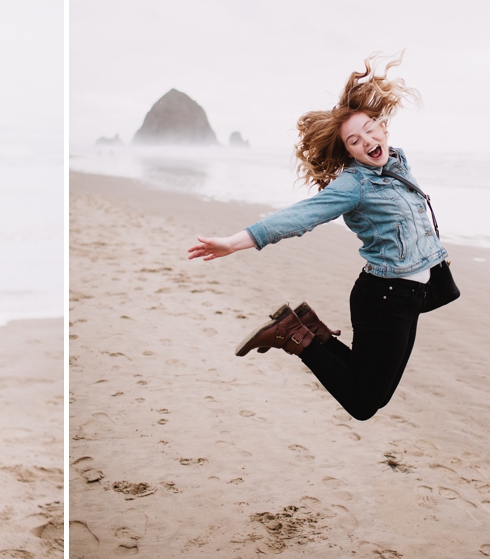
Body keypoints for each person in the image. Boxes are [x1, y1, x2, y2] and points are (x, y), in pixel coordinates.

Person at [187, 55, 448, 422]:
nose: (367, 141)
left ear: (384, 128)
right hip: (384, 297)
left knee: (374, 394)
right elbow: (300, 216)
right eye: (354, 141)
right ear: (349, 151)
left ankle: (313, 330)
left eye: (371, 130)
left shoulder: (397, 164)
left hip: (408, 297)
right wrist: (235, 241)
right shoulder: (354, 184)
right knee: (363, 404)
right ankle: (293, 334)